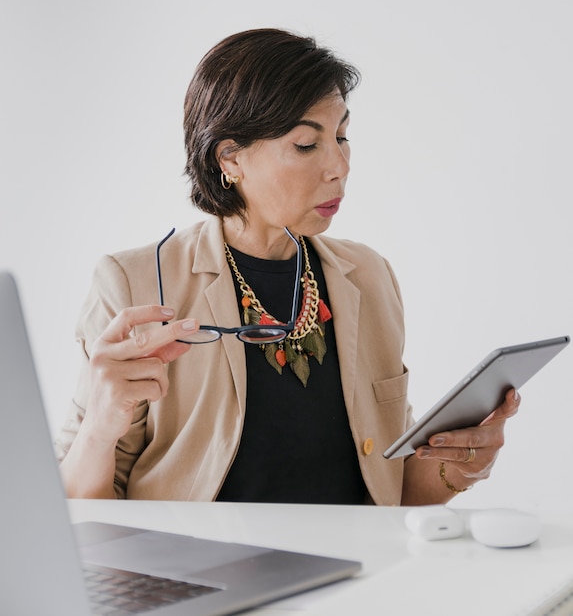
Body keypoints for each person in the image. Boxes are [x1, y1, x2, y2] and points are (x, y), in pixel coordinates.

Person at [55, 28, 519, 505]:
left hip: (360, 572)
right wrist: (99, 428)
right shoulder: (134, 283)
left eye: (342, 136)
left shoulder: (369, 275)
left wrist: (460, 467)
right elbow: (78, 506)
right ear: (229, 157)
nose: (340, 165)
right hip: (206, 573)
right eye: (306, 144)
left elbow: (391, 493)